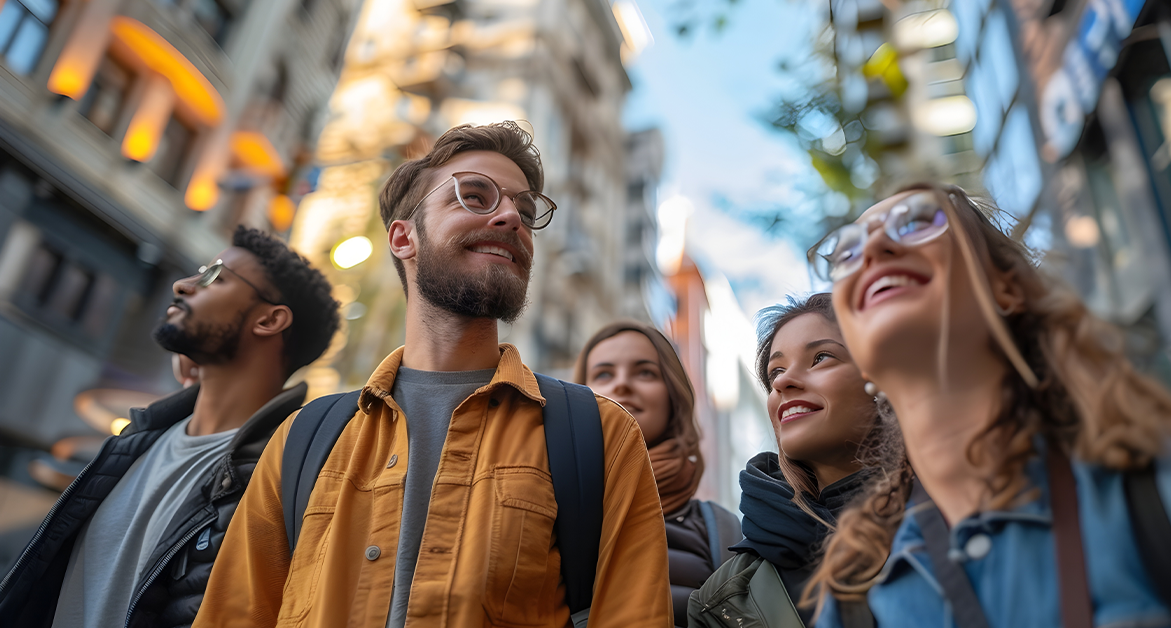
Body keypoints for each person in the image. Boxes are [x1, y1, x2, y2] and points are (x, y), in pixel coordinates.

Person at [194, 122, 672, 628]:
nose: (512, 216)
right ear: (404, 237)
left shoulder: (603, 436)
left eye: (525, 211)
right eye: (474, 196)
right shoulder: (303, 439)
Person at [806, 184, 1171, 627]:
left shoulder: (1165, 491)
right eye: (847, 251)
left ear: (1005, 289)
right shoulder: (854, 604)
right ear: (858, 356)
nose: (874, 245)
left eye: (915, 221)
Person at [0, 226, 340, 627]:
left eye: (215, 277)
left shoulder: (283, 478)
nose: (182, 285)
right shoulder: (135, 441)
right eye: (198, 272)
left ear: (268, 319)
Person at [687, 293, 886, 627]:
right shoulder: (722, 599)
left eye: (821, 357)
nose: (780, 381)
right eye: (775, 370)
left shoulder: (962, 512)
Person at [575, 320, 742, 626]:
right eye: (603, 374)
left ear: (672, 397)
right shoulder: (546, 503)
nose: (622, 384)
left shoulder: (724, 531)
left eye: (645, 372)